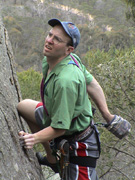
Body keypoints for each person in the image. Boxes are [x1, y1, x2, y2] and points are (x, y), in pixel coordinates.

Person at [17, 19, 131, 180]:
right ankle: (52, 159)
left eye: (57, 40)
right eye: (50, 35)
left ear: (68, 49)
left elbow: (60, 128)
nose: (49, 40)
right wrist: (108, 115)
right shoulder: (63, 59)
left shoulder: (66, 81)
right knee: (23, 106)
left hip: (78, 144)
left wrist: (33, 138)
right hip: (58, 119)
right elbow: (92, 84)